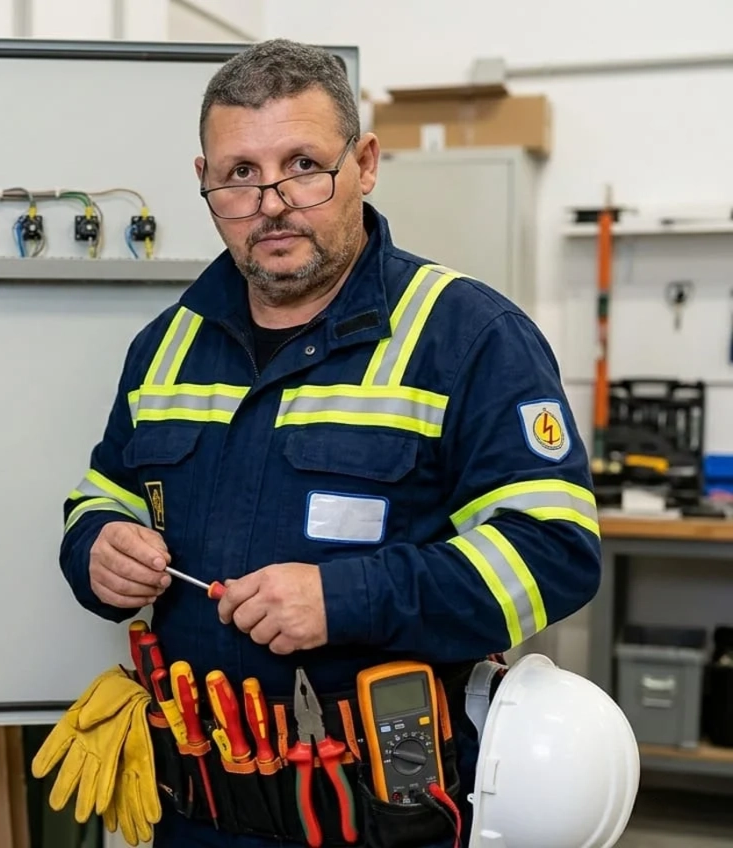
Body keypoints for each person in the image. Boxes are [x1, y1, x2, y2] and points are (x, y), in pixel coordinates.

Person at [55, 38, 602, 848]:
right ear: (204, 180)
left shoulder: (469, 337)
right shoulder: (166, 344)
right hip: (196, 813)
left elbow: (553, 551)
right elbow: (105, 492)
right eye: (239, 173)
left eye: (303, 164)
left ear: (366, 163)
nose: (271, 202)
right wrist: (96, 547)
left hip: (385, 819)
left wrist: (344, 600)